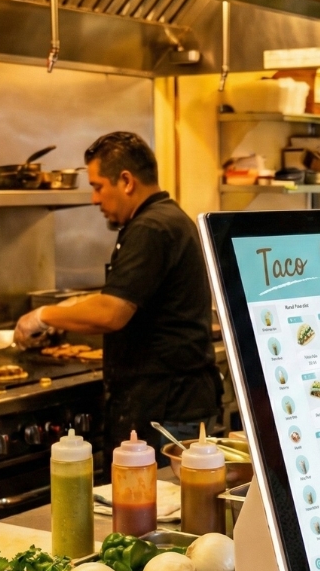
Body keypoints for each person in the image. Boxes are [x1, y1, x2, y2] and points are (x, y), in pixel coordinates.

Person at [15, 132, 221, 462]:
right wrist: (73, 307)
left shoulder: (151, 228)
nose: (95, 199)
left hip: (164, 407)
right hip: (172, 402)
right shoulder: (165, 219)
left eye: (98, 186)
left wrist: (43, 315)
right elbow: (129, 296)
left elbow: (112, 313)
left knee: (153, 509)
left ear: (126, 181)